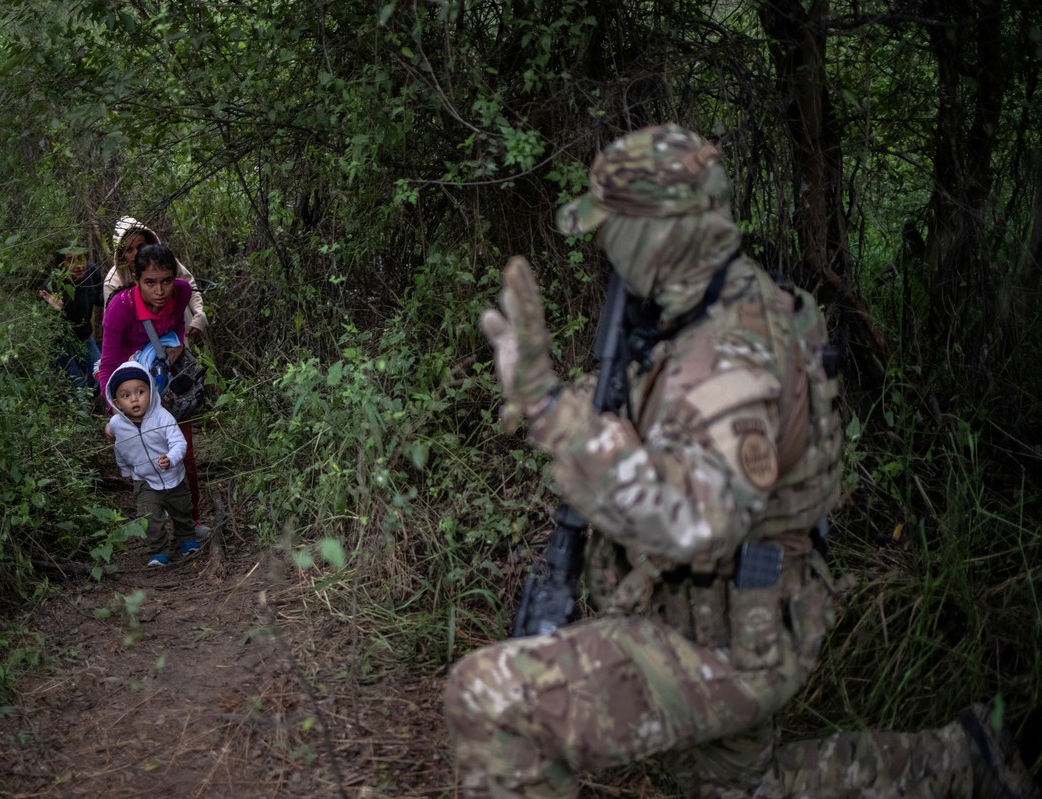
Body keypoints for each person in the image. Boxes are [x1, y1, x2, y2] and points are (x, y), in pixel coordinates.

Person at [444, 125, 1039, 798]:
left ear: (653, 237)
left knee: (492, 700)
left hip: (731, 638)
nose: (603, 245)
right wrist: (560, 403)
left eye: (613, 228)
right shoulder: (703, 303)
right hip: (721, 608)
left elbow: (700, 520)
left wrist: (552, 411)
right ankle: (961, 765)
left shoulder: (734, 350)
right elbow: (665, 422)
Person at [99, 242, 209, 536]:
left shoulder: (182, 292)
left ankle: (191, 522)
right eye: (150, 283)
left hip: (167, 386)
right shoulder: (120, 309)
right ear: (136, 280)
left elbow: (176, 328)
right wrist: (115, 412)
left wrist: (174, 347)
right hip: (133, 391)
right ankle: (156, 532)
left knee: (183, 452)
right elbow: (108, 363)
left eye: (166, 281)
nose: (160, 291)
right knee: (145, 460)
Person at [105, 360, 199, 566]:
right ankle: (159, 551)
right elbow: (120, 448)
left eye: (140, 392)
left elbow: (178, 442)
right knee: (150, 519)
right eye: (126, 395)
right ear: (116, 402)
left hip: (173, 475)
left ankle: (187, 540)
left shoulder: (162, 417)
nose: (135, 400)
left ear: (151, 391)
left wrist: (171, 458)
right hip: (144, 480)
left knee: (181, 511)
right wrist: (125, 471)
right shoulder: (117, 425)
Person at [104, 216, 208, 345]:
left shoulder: (165, 263)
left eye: (140, 246)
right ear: (121, 254)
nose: (136, 253)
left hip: (178, 332)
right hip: (140, 345)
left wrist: (199, 313)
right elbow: (113, 325)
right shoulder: (113, 282)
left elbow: (189, 285)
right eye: (129, 250)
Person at [39, 246, 103, 390]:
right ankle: (82, 408)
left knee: (102, 377)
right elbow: (41, 326)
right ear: (62, 265)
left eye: (81, 258)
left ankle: (92, 406)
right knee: (77, 387)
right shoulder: (52, 285)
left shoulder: (91, 272)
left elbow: (100, 296)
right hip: (60, 344)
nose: (79, 265)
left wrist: (113, 294)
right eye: (71, 260)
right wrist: (56, 311)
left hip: (84, 337)